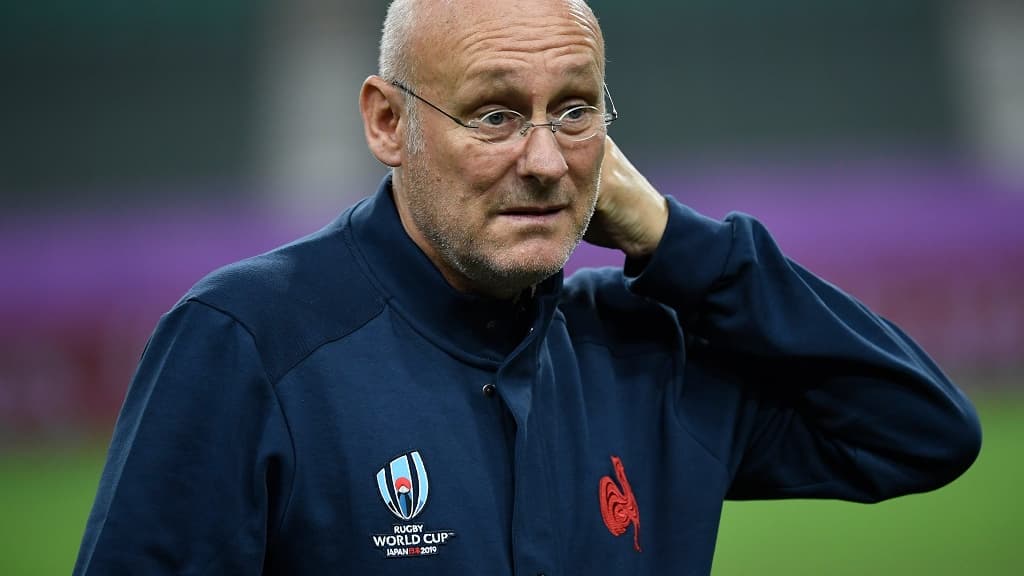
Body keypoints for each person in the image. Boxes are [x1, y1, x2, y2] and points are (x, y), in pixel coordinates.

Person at [74, 0, 981, 574]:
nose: (546, 160)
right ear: (389, 123)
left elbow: (922, 431)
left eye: (575, 110)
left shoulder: (649, 351)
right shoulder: (246, 340)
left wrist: (676, 238)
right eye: (496, 113)